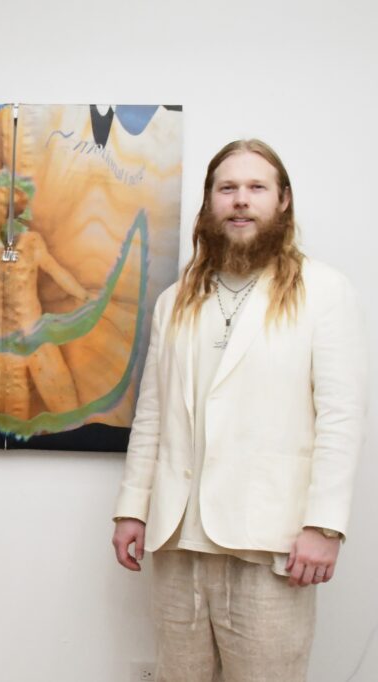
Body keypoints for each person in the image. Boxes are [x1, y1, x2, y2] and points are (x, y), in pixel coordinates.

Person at [111, 139, 367, 681]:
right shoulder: (176, 298)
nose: (241, 201)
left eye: (256, 188)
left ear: (284, 201)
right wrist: (132, 507)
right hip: (177, 542)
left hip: (270, 544)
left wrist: (324, 525)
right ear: (208, 204)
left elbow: (340, 418)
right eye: (227, 188)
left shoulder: (324, 292)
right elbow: (152, 415)